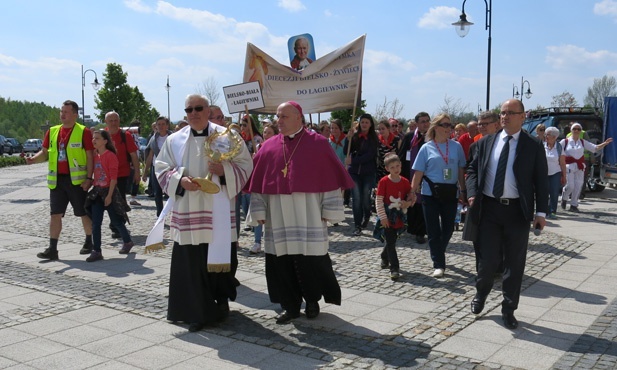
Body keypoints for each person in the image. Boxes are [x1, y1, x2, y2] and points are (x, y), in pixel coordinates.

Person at [151, 94, 253, 332]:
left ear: (208, 110)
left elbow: (246, 165)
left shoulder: (226, 136)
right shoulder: (175, 139)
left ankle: (220, 304)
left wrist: (224, 169)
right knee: (191, 262)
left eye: (198, 108)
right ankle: (194, 311)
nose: (193, 113)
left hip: (217, 211)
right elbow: (161, 168)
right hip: (188, 210)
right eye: (189, 110)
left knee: (217, 262)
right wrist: (179, 180)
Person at [246, 101, 354, 324]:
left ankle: (312, 301)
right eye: (277, 116)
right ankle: (290, 305)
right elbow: (257, 183)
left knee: (310, 260)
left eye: (284, 116)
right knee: (281, 261)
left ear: (299, 118)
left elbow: (332, 180)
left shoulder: (319, 144)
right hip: (278, 216)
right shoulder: (268, 146)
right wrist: (258, 210)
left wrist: (329, 209)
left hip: (309, 213)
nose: (279, 121)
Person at [466, 98, 549, 330]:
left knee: (514, 263)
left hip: (517, 212)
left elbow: (541, 182)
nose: (505, 117)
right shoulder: (486, 143)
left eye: (511, 113)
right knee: (488, 260)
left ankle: (509, 308)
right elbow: (472, 169)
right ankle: (480, 294)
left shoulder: (532, 145)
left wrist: (541, 213)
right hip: (489, 209)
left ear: (523, 116)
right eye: (502, 113)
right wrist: (472, 193)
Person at [26, 100, 94, 260]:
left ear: (75, 115)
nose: (62, 115)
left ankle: (89, 241)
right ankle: (52, 248)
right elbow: (44, 152)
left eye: (66, 112)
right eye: (61, 111)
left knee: (83, 213)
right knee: (55, 214)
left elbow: (90, 156)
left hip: (77, 181)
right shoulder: (52, 131)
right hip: (57, 181)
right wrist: (33, 159)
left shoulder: (83, 131)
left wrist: (89, 178)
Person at [410, 113, 466, 278]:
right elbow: (418, 172)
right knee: (433, 230)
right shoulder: (426, 148)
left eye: (450, 125)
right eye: (445, 125)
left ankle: (438, 252)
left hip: (450, 193)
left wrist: (463, 190)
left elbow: (461, 170)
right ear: (436, 127)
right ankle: (439, 264)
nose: (449, 128)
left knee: (448, 228)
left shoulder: (456, 146)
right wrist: (412, 192)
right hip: (430, 193)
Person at [86, 130, 134, 262]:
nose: (94, 140)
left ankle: (127, 242)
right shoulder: (95, 155)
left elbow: (113, 178)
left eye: (97, 138)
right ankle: (97, 251)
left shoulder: (111, 156)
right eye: (93, 138)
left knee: (116, 221)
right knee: (96, 223)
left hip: (109, 192)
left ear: (105, 141)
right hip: (97, 192)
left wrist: (110, 196)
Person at [465, 111, 501, 273]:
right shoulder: (475, 146)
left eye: (486, 124)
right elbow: (470, 171)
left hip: (501, 198)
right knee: (478, 236)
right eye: (480, 124)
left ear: (497, 124)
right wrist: (470, 193)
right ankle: (482, 268)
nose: (482, 127)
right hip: (480, 198)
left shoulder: (505, 144)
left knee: (500, 236)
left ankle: (499, 266)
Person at [375, 153, 412, 281]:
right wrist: (383, 217)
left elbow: (411, 196)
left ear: (401, 165)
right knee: (391, 241)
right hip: (387, 215)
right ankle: (394, 268)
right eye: (392, 167)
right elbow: (379, 200)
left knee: (392, 240)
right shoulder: (384, 181)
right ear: (387, 169)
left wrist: (408, 202)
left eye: (397, 166)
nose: (396, 169)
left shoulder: (405, 182)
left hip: (399, 216)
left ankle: (384, 256)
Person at [560, 122, 612, 212]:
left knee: (578, 185)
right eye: (574, 129)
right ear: (571, 130)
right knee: (570, 186)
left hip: (580, 166)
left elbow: (595, 148)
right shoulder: (565, 141)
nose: (576, 131)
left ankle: (574, 205)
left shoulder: (582, 142)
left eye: (578, 129)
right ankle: (564, 198)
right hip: (569, 166)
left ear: (581, 131)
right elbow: (558, 151)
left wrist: (604, 143)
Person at [104, 111, 140, 239]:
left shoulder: (126, 135)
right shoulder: (103, 135)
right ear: (106, 122)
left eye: (116, 120)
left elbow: (133, 155)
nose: (114, 123)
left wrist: (137, 172)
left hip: (121, 174)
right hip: (106, 175)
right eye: (111, 120)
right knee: (108, 201)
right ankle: (116, 224)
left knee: (119, 200)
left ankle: (118, 226)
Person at [398, 112, 430, 243]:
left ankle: (421, 231)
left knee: (423, 203)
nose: (425, 124)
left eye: (427, 121)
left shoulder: (432, 137)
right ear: (417, 124)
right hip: (410, 174)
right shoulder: (410, 137)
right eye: (422, 121)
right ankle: (413, 228)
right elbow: (401, 156)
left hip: (427, 176)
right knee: (413, 204)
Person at [345, 113, 379, 236]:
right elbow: (346, 151)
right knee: (356, 198)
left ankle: (367, 214)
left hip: (368, 172)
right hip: (354, 172)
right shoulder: (355, 136)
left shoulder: (374, 138)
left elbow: (369, 155)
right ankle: (357, 224)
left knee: (365, 197)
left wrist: (353, 161)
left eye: (366, 122)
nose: (364, 124)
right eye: (362, 122)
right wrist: (347, 140)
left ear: (370, 124)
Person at [142, 116, 173, 216]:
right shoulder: (153, 139)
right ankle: (160, 214)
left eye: (163, 124)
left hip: (170, 168)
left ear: (167, 125)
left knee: (171, 192)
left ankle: (174, 212)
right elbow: (150, 155)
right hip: (157, 168)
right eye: (158, 124)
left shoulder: (172, 137)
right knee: (157, 193)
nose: (161, 126)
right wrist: (145, 171)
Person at [544, 127, 567, 219]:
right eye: (546, 134)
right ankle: (544, 211)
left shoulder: (559, 147)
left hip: (555, 173)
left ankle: (553, 211)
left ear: (554, 137)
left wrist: (564, 176)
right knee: (544, 193)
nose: (546, 136)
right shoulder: (542, 145)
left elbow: (562, 163)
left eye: (548, 134)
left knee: (554, 193)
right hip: (543, 173)